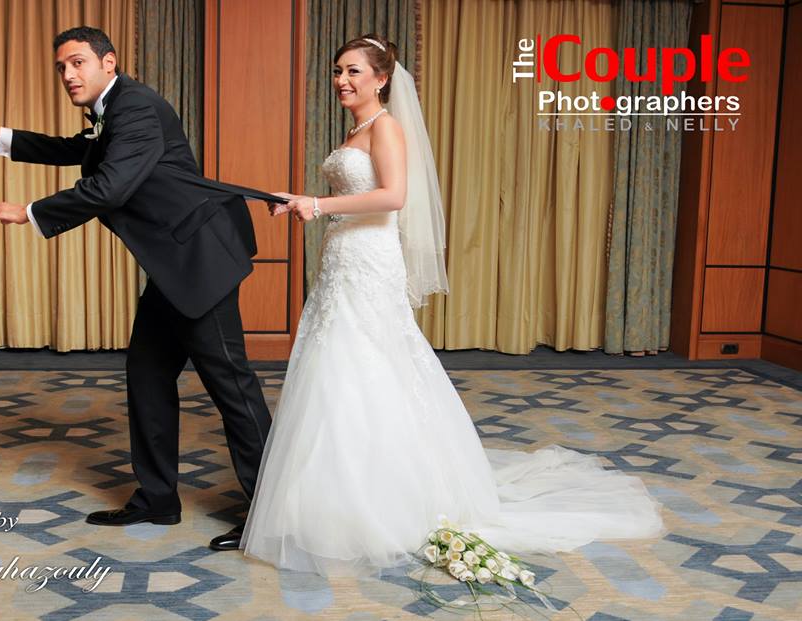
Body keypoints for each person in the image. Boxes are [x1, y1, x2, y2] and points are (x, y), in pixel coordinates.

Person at [240, 34, 663, 576]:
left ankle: (381, 502)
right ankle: (333, 499)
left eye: (353, 71)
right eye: (338, 71)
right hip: (343, 257)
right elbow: (357, 194)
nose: (342, 80)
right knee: (336, 367)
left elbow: (393, 197)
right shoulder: (356, 131)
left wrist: (318, 204)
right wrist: (298, 201)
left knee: (364, 364)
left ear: (381, 78)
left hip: (369, 260)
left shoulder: (386, 127)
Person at [0, 26, 283, 551]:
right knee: (146, 373)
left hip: (199, 261)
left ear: (109, 62)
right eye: (61, 67)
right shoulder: (113, 108)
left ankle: (270, 515)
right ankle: (157, 499)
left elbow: (109, 187)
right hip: (172, 264)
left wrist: (26, 211)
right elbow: (77, 149)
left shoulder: (135, 106)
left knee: (232, 387)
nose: (68, 74)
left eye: (78, 62)